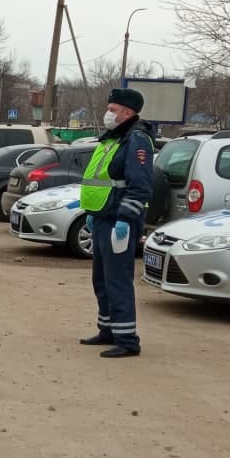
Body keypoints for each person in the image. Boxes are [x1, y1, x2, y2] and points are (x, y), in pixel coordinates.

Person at [79, 88, 155, 358]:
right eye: (108, 108)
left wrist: (125, 218)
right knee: (101, 279)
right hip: (102, 217)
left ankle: (127, 340)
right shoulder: (114, 138)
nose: (108, 113)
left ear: (128, 112)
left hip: (119, 221)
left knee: (117, 280)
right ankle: (108, 330)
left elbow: (140, 186)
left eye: (113, 109)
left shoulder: (137, 139)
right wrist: (92, 211)